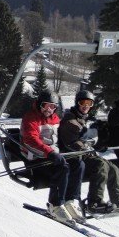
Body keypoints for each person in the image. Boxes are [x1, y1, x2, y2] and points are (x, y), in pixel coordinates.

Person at [58, 90, 119, 214]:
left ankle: (118, 200)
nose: (86, 106)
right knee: (100, 165)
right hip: (73, 156)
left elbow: (90, 139)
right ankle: (94, 203)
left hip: (84, 153)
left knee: (113, 167)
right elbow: (72, 143)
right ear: (77, 103)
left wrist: (100, 142)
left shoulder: (84, 119)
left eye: (89, 103)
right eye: (83, 102)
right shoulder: (70, 120)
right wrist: (88, 145)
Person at [20, 90, 85, 223]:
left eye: (53, 106)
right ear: (39, 104)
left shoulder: (55, 118)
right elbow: (30, 140)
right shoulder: (30, 118)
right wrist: (49, 152)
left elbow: (60, 137)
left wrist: (77, 144)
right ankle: (54, 205)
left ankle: (69, 201)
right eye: (46, 105)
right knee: (63, 168)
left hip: (53, 156)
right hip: (37, 158)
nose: (49, 109)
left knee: (78, 163)